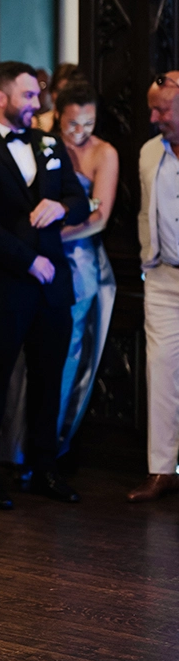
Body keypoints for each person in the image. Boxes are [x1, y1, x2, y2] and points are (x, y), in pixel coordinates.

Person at [0, 61, 90, 509]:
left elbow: (80, 201)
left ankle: (44, 469)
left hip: (53, 286)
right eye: (28, 95)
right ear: (0, 97)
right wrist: (27, 260)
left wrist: (60, 207)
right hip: (5, 283)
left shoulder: (49, 142)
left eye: (37, 95)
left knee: (49, 380)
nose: (38, 103)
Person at [46, 84, 116, 471]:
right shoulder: (46, 145)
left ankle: (52, 440)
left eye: (88, 123)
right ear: (59, 116)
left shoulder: (104, 153)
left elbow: (100, 217)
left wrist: (54, 237)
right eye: (73, 123)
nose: (80, 132)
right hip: (37, 262)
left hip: (78, 260)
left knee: (68, 352)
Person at [132, 78, 179, 503]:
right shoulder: (150, 151)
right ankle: (161, 471)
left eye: (162, 110)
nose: (153, 118)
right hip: (163, 277)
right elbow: (147, 208)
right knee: (160, 373)